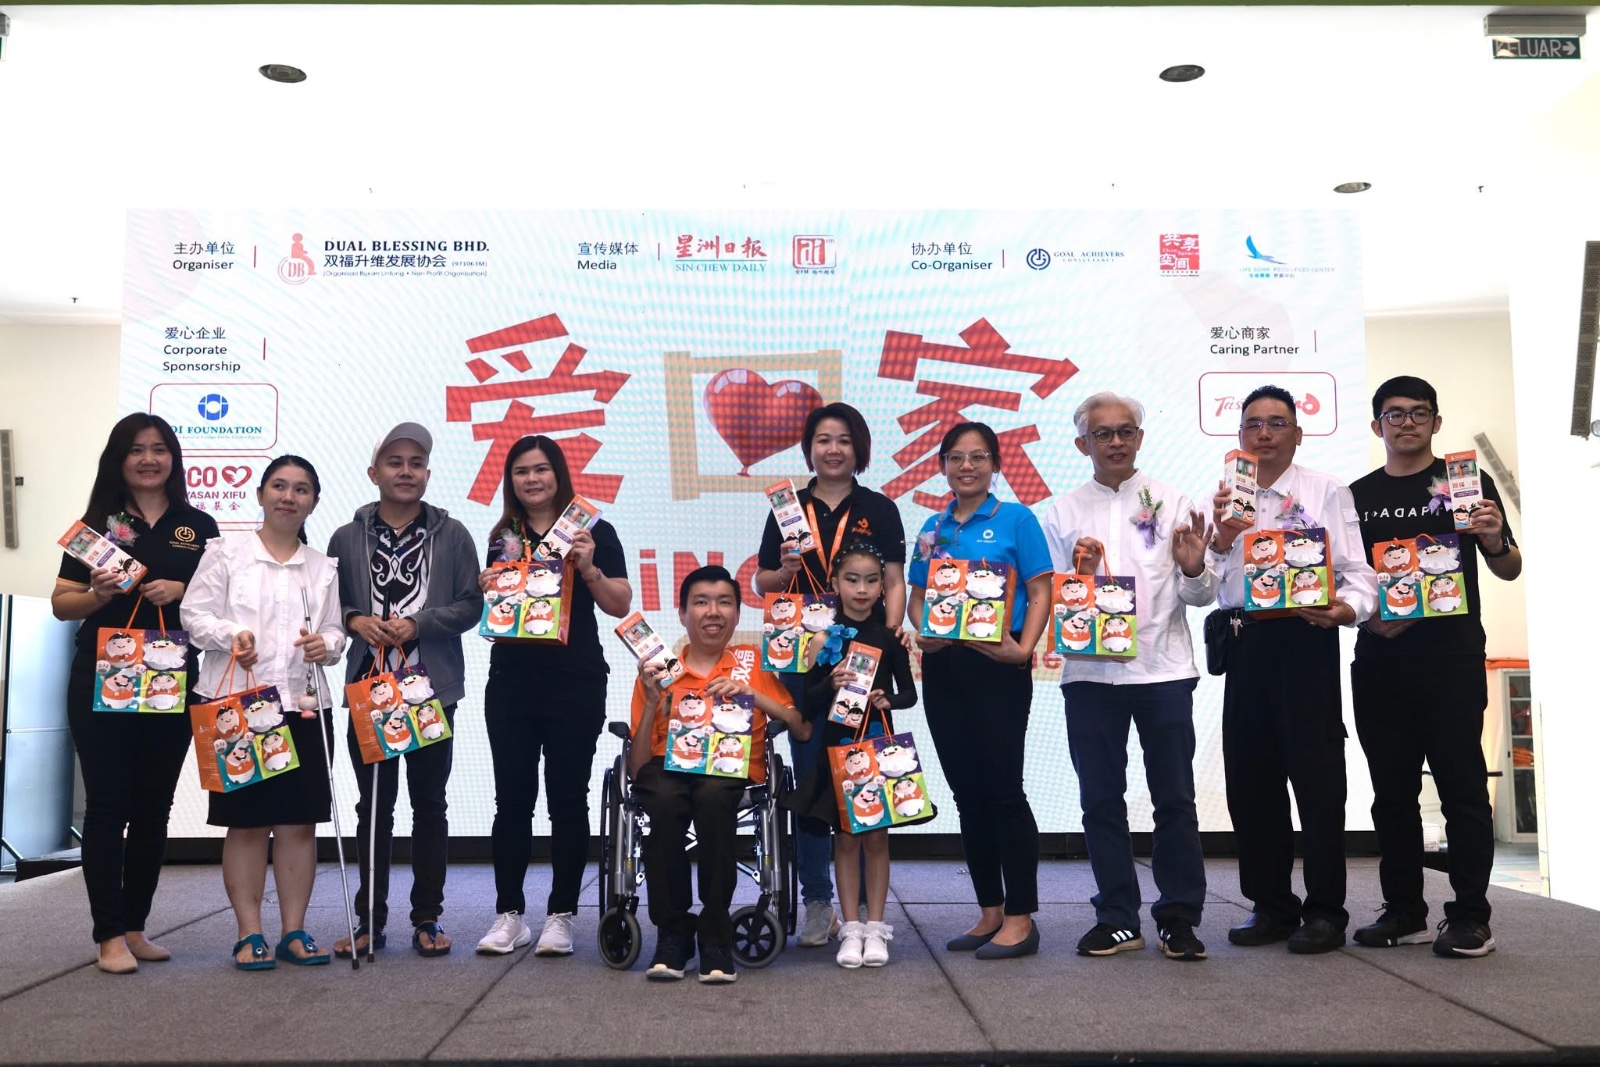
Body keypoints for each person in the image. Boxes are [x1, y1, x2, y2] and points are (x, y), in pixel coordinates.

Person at [1349, 376, 1521, 958]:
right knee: (1391, 794)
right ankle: (1404, 912)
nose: (1406, 423)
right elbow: (1345, 579)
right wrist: (1366, 620)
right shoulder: (1357, 495)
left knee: (1462, 790)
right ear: (1377, 425)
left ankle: (1471, 917)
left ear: (1436, 422)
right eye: (1394, 414)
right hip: (1379, 659)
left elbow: (1509, 567)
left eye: (1419, 413)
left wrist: (1493, 540)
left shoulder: (1464, 483)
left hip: (1452, 656)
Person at [1042, 392, 1216, 961]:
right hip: (1089, 676)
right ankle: (1117, 916)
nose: (1115, 441)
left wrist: (1194, 567)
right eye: (1102, 433)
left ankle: (1179, 918)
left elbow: (1200, 593)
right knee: (1100, 801)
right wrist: (1081, 575)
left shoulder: (1173, 500)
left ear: (1140, 437)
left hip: (1163, 670)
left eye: (1125, 431)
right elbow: (1054, 597)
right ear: (1082, 444)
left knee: (1175, 799)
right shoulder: (1061, 512)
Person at [1208, 385, 1377, 954]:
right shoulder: (1223, 496)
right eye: (1253, 424)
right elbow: (1204, 584)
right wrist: (1220, 538)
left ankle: (1325, 910)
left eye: (1276, 423)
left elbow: (1359, 573)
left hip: (1307, 637)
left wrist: (1348, 610)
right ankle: (1271, 906)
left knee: (1318, 779)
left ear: (1298, 434)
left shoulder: (1326, 490)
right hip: (1244, 642)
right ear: (1239, 436)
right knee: (1250, 780)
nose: (1264, 433)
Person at [51, 414, 219, 974]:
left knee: (153, 807)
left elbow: (222, 603)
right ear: (118, 459)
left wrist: (183, 588)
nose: (149, 460)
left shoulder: (198, 524)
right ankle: (107, 936)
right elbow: (61, 603)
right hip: (103, 677)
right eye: (136, 450)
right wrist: (97, 595)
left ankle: (134, 927)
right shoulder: (96, 526)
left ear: (174, 458)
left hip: (171, 679)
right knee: (107, 805)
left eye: (159, 449)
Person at [182, 456, 347, 969]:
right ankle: (248, 933)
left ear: (313, 502)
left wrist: (327, 645)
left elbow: (336, 630)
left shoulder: (322, 567)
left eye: (301, 489)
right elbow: (193, 615)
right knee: (247, 824)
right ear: (260, 494)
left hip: (303, 707)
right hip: (238, 706)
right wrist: (232, 634)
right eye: (279, 486)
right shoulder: (225, 553)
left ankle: (293, 931)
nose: (288, 497)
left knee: (299, 824)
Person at [753, 402, 907, 947]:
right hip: (803, 657)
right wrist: (785, 570)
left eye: (843, 439)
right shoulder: (787, 508)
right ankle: (819, 899)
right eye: (823, 440)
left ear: (858, 448)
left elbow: (893, 581)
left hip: (861, 658)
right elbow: (761, 582)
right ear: (809, 448)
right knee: (814, 778)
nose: (833, 449)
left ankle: (863, 908)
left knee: (863, 770)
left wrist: (885, 641)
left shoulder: (879, 508)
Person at [326, 423, 482, 958]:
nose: (406, 471)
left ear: (428, 474)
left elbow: (471, 606)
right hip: (369, 690)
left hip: (430, 690)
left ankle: (427, 917)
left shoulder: (453, 534)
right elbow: (331, 604)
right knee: (374, 806)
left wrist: (420, 624)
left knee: (430, 805)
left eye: (416, 463)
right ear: (374, 473)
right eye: (395, 462)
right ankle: (369, 921)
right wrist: (355, 619)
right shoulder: (346, 537)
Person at [474, 435, 632, 956]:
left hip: (575, 682)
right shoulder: (504, 536)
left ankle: (561, 915)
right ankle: (509, 915)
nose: (532, 479)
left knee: (567, 798)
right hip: (512, 682)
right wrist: (489, 590)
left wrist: (588, 567)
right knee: (511, 800)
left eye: (541, 469)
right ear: (511, 481)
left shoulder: (592, 530)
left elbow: (619, 603)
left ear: (559, 474)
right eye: (521, 471)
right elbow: (499, 615)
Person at [907, 421, 1053, 959]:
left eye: (978, 456)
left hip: (998, 666)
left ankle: (1021, 917)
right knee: (966, 795)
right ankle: (990, 910)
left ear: (995, 465)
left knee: (1003, 791)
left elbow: (1041, 589)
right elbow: (916, 596)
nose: (966, 466)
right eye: (956, 457)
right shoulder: (932, 526)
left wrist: (1024, 647)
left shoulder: (1017, 518)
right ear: (942, 465)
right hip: (945, 669)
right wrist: (924, 632)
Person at [628, 566, 810, 983]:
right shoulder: (659, 672)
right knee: (663, 799)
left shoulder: (752, 664)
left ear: (737, 612)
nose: (713, 611)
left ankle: (714, 936)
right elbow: (637, 768)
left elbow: (800, 728)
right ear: (682, 614)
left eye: (724, 602)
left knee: (712, 798)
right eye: (701, 602)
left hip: (731, 771)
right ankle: (673, 934)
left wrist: (753, 694)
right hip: (667, 769)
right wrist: (653, 703)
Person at [787, 543, 918, 968]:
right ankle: (850, 929)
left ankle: (875, 927)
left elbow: (909, 694)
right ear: (835, 584)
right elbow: (807, 701)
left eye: (871, 580)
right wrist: (830, 682)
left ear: (883, 587)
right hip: (838, 747)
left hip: (877, 744)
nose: (861, 589)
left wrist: (888, 699)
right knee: (844, 839)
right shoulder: (824, 637)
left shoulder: (891, 638)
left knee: (877, 837)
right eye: (852, 580)